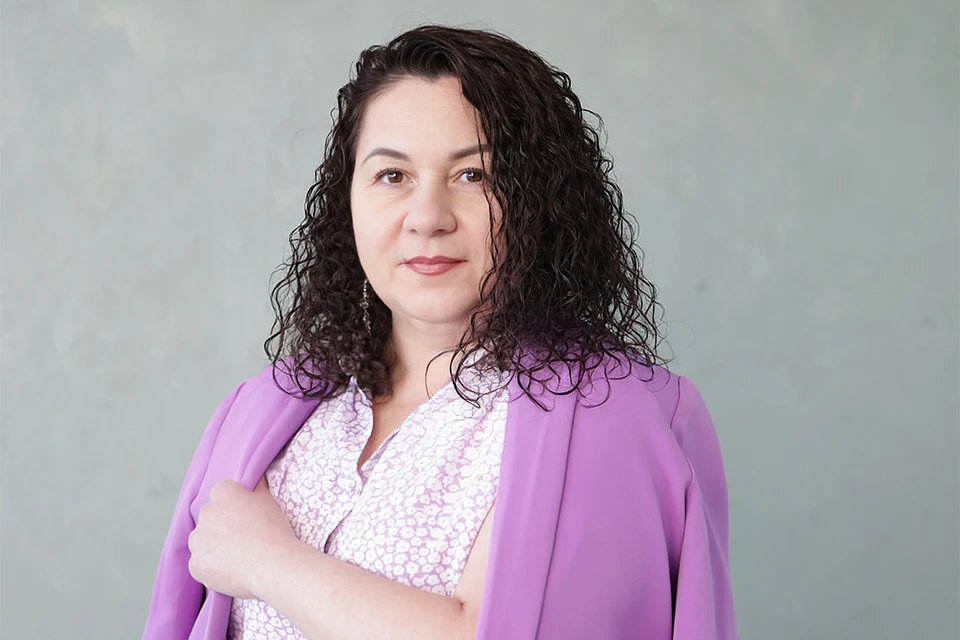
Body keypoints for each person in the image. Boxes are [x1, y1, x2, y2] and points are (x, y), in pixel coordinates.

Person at [143, 24, 738, 640]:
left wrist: (268, 562)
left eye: (473, 175)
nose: (427, 218)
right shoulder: (261, 409)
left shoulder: (610, 415)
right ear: (348, 200)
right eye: (392, 176)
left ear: (540, 200)